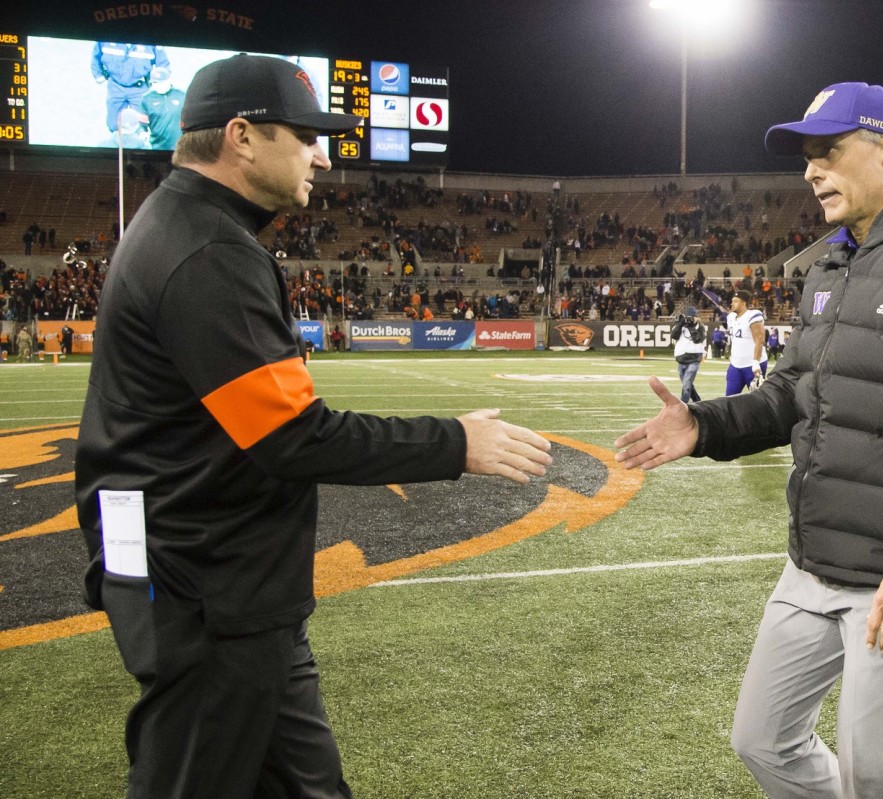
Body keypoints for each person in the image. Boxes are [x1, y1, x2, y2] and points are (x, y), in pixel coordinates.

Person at [73, 54, 553, 799]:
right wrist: (457, 441)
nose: (324, 156)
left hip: (220, 584)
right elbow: (294, 435)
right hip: (208, 587)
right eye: (305, 135)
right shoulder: (206, 249)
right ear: (240, 136)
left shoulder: (185, 225)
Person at [614, 81, 883, 798]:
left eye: (828, 151)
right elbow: (789, 396)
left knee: (874, 774)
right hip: (813, 561)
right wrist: (702, 424)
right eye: (807, 156)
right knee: (762, 740)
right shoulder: (831, 268)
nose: (810, 171)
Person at [91, 41, 170, 136]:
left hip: (140, 88)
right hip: (115, 86)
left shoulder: (151, 41)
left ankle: (138, 145)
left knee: (141, 125)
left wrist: (158, 82)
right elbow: (95, 58)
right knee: (113, 124)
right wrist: (99, 77)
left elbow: (163, 64)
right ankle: (116, 145)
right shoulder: (105, 38)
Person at [725, 289, 767, 395]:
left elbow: (759, 339)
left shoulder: (753, 315)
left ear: (743, 303)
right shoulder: (730, 317)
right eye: (732, 301)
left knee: (757, 400)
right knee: (729, 398)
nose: (732, 304)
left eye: (735, 301)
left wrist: (756, 363)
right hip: (735, 364)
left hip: (752, 364)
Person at [138, 66, 186, 151]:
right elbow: (142, 125)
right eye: (155, 83)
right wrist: (142, 133)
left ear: (169, 80)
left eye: (161, 82)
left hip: (181, 148)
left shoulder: (182, 95)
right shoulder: (146, 99)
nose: (157, 85)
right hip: (157, 148)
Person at [671, 305, 707, 403]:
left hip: (694, 359)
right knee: (687, 384)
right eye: (688, 317)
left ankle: (683, 405)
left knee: (686, 384)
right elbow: (673, 336)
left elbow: (698, 339)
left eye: (693, 317)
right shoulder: (679, 326)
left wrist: (691, 327)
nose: (691, 319)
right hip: (681, 359)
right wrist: (681, 324)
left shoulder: (700, 327)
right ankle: (698, 402)